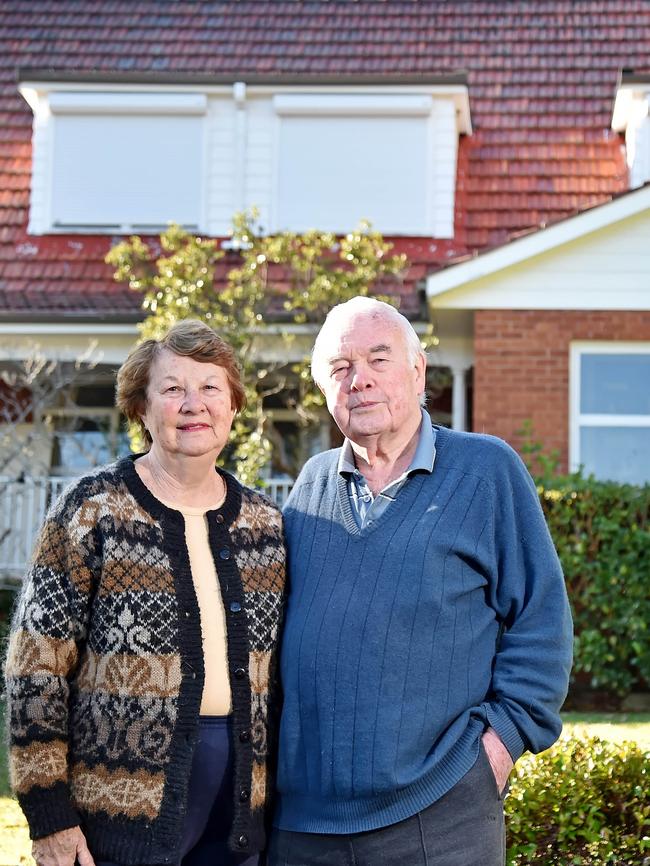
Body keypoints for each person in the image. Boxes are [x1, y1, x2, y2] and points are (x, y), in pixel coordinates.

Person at [269, 297, 573, 866]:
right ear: (325, 390)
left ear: (417, 370)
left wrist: (498, 747)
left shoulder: (486, 471)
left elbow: (540, 622)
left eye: (378, 359)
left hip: (440, 812)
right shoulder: (310, 484)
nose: (359, 380)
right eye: (340, 368)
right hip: (304, 822)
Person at [5, 320, 286, 866]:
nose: (193, 404)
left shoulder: (266, 526)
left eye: (210, 388)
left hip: (239, 810)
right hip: (114, 814)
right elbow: (35, 669)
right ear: (141, 406)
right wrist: (48, 815)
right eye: (173, 388)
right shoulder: (92, 510)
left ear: (232, 407)